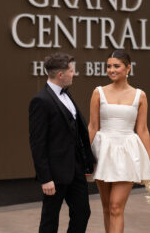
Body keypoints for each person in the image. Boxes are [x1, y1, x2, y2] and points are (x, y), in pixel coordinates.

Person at [88, 50, 150, 233]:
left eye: (116, 66)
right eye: (109, 66)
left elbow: (142, 129)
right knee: (106, 207)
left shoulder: (140, 95)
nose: (111, 70)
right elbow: (92, 127)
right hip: (103, 151)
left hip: (128, 152)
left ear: (128, 68)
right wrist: (85, 157)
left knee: (116, 206)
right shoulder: (98, 93)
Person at [29, 52, 96, 233]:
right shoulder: (40, 101)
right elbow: (37, 143)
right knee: (50, 219)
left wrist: (87, 163)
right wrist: (45, 178)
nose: (74, 74)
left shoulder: (67, 95)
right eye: (72, 71)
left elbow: (78, 132)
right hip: (54, 174)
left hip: (76, 169)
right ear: (61, 75)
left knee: (83, 212)